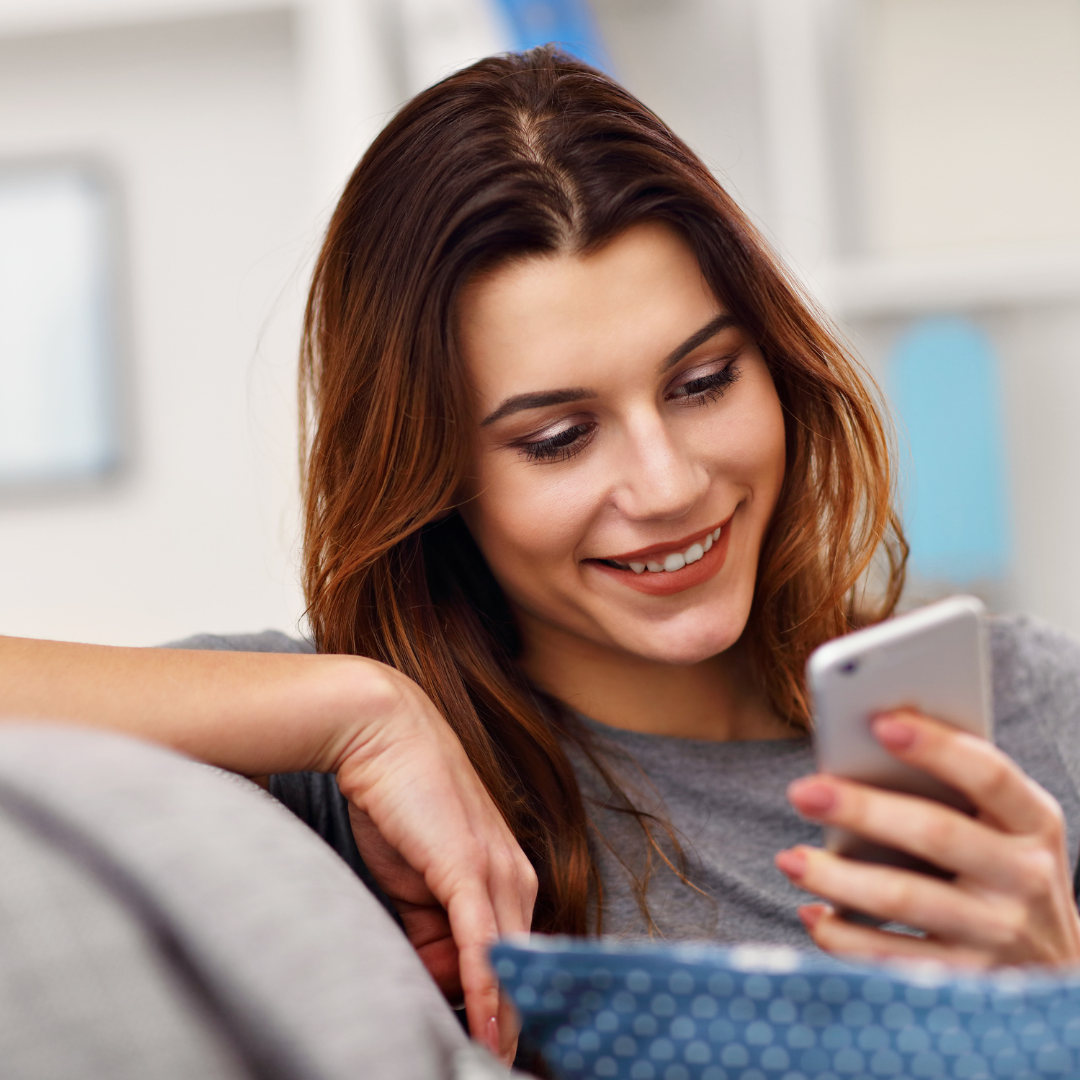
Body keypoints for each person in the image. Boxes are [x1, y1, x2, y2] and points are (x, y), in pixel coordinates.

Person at [4, 46, 1080, 1066]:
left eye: (704, 382)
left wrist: (1055, 1014)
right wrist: (361, 712)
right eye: (559, 437)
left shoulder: (1038, 717)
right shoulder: (353, 770)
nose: (668, 484)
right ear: (436, 475)